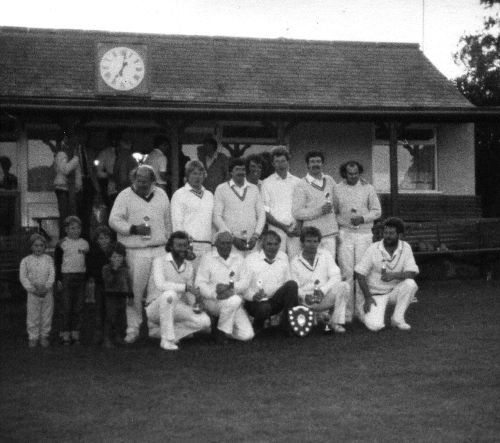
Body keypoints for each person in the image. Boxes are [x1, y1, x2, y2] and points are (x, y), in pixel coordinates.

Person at [109, 164, 171, 344]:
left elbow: (168, 222)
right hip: (135, 250)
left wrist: (167, 241)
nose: (142, 183)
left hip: (159, 249)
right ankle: (133, 328)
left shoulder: (161, 194)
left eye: (145, 181)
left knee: (157, 290)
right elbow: (113, 220)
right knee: (134, 292)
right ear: (133, 179)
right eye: (138, 180)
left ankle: (155, 327)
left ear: (153, 181)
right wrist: (132, 229)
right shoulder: (124, 195)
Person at [146, 231, 211, 351]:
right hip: (154, 307)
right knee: (169, 294)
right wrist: (185, 287)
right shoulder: (159, 260)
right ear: (171, 246)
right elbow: (161, 285)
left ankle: (158, 331)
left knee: (205, 322)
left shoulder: (189, 266)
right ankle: (167, 340)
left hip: (176, 306)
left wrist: (196, 303)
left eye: (185, 245)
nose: (182, 249)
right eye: (179, 246)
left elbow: (189, 294)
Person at [336, 161, 382, 323]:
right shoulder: (337, 188)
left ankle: (361, 311)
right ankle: (347, 314)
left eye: (356, 173)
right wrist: (341, 224)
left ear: (359, 173)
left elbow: (377, 211)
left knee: (362, 273)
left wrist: (363, 218)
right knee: (346, 273)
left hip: (364, 235)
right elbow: (334, 212)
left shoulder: (368, 188)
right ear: (345, 174)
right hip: (345, 234)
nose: (353, 176)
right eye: (350, 173)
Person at [355, 217, 419, 332]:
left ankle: (397, 319)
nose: (387, 236)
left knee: (410, 284)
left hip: (394, 292)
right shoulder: (373, 248)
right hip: (375, 295)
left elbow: (412, 272)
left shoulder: (406, 247)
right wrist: (368, 297)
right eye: (385, 233)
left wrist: (393, 275)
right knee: (375, 327)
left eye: (391, 233)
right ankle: (364, 313)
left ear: (400, 235)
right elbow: (360, 275)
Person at [195, 231, 254, 343]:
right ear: (216, 244)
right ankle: (221, 332)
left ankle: (220, 326)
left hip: (232, 301)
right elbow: (199, 283)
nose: (226, 246)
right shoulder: (207, 258)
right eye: (223, 243)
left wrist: (230, 289)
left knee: (247, 335)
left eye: (229, 243)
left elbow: (245, 282)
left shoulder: (239, 258)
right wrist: (215, 294)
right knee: (235, 300)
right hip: (213, 301)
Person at [290, 227, 349, 333]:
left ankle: (335, 322)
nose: (312, 244)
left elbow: (336, 276)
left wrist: (323, 291)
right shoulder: (295, 262)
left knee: (344, 286)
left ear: (319, 242)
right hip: (306, 301)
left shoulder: (325, 254)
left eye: (315, 241)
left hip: (323, 296)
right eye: (308, 241)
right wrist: (304, 296)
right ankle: (312, 316)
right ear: (302, 242)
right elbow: (294, 286)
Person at [240, 230, 299, 333]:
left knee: (292, 285)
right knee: (264, 307)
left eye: (276, 244)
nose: (273, 247)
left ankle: (287, 325)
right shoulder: (250, 260)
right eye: (269, 244)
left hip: (275, 300)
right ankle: (258, 323)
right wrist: (253, 296)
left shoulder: (283, 257)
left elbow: (288, 282)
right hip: (255, 302)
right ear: (262, 245)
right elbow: (243, 287)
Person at [213, 157, 266, 257]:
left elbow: (261, 214)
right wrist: (231, 238)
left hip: (251, 242)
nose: (241, 172)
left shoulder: (254, 189)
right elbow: (216, 216)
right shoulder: (221, 189)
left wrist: (256, 236)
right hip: (230, 242)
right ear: (231, 172)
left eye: (243, 169)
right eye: (237, 169)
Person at [292, 150, 339, 260]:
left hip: (330, 234)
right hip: (311, 236)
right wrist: (320, 211)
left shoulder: (330, 180)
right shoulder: (301, 184)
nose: (316, 164)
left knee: (329, 266)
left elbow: (338, 201)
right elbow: (297, 212)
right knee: (312, 266)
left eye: (318, 161)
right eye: (312, 161)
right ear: (307, 165)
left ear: (322, 164)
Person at [171, 160, 214, 271]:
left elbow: (213, 222)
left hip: (207, 247)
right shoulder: (179, 194)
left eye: (200, 173)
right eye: (194, 173)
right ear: (188, 175)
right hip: (189, 247)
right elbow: (177, 222)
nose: (197, 177)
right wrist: (183, 247)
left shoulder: (209, 195)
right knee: (189, 282)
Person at [54, 216, 89, 345]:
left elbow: (87, 261)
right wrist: (58, 278)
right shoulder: (62, 243)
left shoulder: (85, 244)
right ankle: (65, 334)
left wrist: (87, 277)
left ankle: (75, 333)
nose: (76, 231)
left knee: (78, 307)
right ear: (66, 229)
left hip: (80, 277)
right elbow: (57, 262)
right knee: (66, 307)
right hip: (66, 277)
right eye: (72, 228)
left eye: (78, 228)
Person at [262, 147, 302, 259]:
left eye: (283, 161)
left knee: (295, 261)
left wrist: (298, 226)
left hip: (294, 230)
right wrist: (283, 227)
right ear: (273, 164)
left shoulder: (298, 182)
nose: (280, 164)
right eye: (277, 161)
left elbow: (301, 207)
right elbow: (265, 211)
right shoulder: (266, 183)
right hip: (276, 230)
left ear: (288, 162)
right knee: (277, 261)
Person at [19, 234, 55, 348]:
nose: (38, 248)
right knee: (33, 315)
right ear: (31, 247)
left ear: (45, 246)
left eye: (41, 245)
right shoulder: (26, 261)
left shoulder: (49, 259)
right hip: (33, 293)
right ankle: (33, 337)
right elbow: (23, 277)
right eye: (36, 245)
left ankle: (44, 335)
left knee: (46, 315)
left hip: (47, 292)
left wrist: (47, 287)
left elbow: (52, 274)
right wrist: (32, 289)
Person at [101, 242, 134, 348]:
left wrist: (130, 296)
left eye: (120, 256)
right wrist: (114, 270)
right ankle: (107, 339)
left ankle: (118, 337)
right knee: (111, 317)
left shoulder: (125, 270)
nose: (117, 259)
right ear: (110, 258)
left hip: (122, 297)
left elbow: (129, 283)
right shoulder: (106, 269)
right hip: (111, 296)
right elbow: (108, 281)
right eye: (114, 257)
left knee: (121, 318)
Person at [86, 225, 113, 345]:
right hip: (99, 285)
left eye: (106, 238)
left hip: (112, 286)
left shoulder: (113, 251)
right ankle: (98, 334)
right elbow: (91, 269)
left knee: (109, 311)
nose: (104, 241)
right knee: (98, 310)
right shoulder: (93, 253)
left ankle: (108, 336)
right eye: (101, 238)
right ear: (97, 240)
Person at [53, 133, 82, 235]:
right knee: (65, 218)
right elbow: (65, 170)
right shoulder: (61, 154)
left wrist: (78, 186)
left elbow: (77, 174)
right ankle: (63, 240)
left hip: (72, 190)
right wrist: (76, 159)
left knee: (72, 217)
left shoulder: (72, 155)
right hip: (63, 189)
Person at [95, 131, 119, 209]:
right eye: (112, 139)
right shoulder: (104, 153)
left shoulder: (124, 152)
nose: (114, 141)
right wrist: (109, 175)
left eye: (116, 139)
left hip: (124, 187)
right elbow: (98, 172)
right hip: (112, 188)